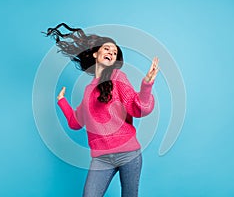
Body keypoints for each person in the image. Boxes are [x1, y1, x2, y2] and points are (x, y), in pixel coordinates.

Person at [44, 23, 159, 197]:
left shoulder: (119, 78)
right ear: (96, 53)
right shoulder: (88, 90)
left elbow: (138, 108)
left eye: (114, 53)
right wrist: (62, 102)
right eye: (107, 49)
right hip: (101, 159)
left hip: (129, 154)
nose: (111, 53)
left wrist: (146, 85)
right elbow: (76, 122)